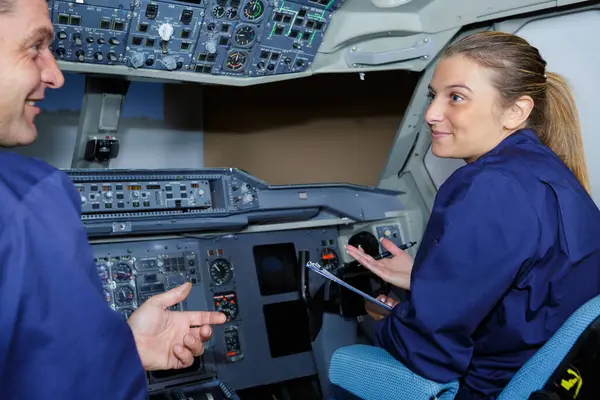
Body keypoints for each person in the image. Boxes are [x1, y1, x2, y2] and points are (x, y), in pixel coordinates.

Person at [346, 31, 600, 399]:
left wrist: (385, 316)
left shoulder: (488, 185)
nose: (432, 114)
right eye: (434, 96)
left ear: (516, 111)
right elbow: (530, 293)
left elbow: (431, 352)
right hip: (552, 379)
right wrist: (425, 278)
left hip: (490, 389)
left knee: (346, 361)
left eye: (456, 97)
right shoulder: (551, 172)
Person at [0, 0, 226, 398]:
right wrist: (111, 365)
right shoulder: (28, 199)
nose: (54, 74)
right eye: (35, 46)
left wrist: (123, 347)